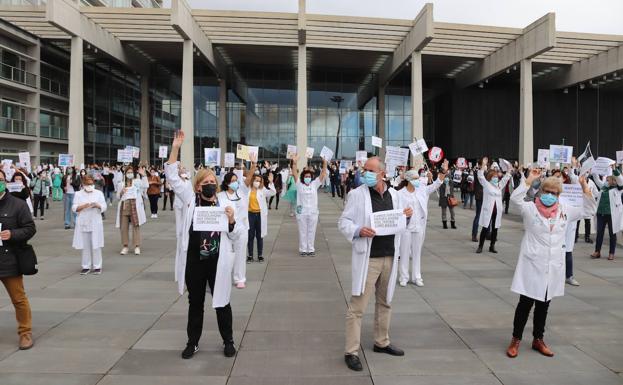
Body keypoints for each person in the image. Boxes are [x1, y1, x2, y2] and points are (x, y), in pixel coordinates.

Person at [165, 130, 241, 359]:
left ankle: (228, 340)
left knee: (222, 302)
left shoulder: (226, 202)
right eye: (205, 182)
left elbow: (237, 235)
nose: (210, 185)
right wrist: (176, 148)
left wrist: (231, 221)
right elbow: (172, 176)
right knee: (195, 302)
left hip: (217, 261)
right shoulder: (190, 200)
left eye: (212, 182)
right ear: (198, 187)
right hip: (195, 261)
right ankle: (193, 342)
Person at [506, 169, 596, 358]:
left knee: (544, 304)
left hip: (552, 264)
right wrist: (528, 181)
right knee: (525, 303)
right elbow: (515, 199)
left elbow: (588, 211)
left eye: (554, 193)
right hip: (532, 263)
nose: (550, 196)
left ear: (559, 195)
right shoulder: (530, 209)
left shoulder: (564, 210)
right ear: (541, 192)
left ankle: (538, 339)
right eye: (547, 192)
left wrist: (585, 187)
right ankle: (515, 339)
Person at [338, 157, 413, 372]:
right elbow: (343, 222)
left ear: (382, 173)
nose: (365, 173)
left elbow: (401, 224)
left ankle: (382, 342)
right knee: (357, 306)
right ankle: (351, 351)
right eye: (364, 170)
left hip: (389, 256)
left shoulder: (395, 196)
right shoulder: (357, 195)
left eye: (370, 170)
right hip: (368, 258)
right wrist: (358, 230)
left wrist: (407, 217)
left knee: (385, 302)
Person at [0, 169, 36, 350]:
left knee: (18, 299)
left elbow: (30, 228)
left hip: (10, 259)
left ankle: (25, 333)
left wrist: (12, 234)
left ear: (5, 181)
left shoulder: (18, 204)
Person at [398, 165, 445, 287]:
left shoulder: (422, 190)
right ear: (408, 180)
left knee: (416, 252)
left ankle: (416, 276)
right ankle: (404, 276)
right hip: (406, 227)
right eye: (415, 179)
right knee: (404, 252)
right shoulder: (400, 193)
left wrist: (443, 171)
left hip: (418, 226)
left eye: (418, 178)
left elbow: (436, 184)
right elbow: (397, 210)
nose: (418, 181)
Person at [291, 155, 327, 256]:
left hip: (313, 212)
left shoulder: (314, 184)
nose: (308, 178)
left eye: (309, 176)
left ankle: (310, 249)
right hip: (301, 212)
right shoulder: (299, 184)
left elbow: (323, 174)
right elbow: (294, 173)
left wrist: (324, 163)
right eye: (306, 176)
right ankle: (303, 249)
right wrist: (294, 163)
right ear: (303, 177)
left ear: (311, 177)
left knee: (312, 231)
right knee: (302, 231)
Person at [218, 171, 249, 289]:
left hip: (241, 229)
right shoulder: (220, 196)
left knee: (240, 254)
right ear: (226, 183)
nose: (235, 183)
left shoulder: (241, 192)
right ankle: (223, 277)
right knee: (225, 254)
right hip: (226, 229)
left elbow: (249, 178)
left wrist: (253, 164)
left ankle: (239, 278)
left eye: (236, 180)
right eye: (232, 181)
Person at [72, 175, 107, 275]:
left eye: (91, 184)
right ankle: (86, 266)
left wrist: (97, 205)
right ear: (83, 184)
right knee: (85, 245)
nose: (90, 186)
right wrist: (83, 206)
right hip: (84, 222)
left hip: (95, 221)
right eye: (87, 184)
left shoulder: (99, 193)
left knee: (96, 244)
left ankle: (97, 266)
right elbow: (74, 207)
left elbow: (104, 206)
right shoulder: (78, 194)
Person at [244, 154, 276, 263]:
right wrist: (253, 164)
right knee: (250, 236)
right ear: (253, 180)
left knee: (259, 236)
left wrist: (271, 182)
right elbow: (245, 177)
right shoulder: (246, 190)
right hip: (249, 215)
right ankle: (250, 255)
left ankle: (260, 255)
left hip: (260, 215)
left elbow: (273, 192)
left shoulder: (262, 190)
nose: (257, 182)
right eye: (255, 180)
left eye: (259, 181)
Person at [476, 157, 511, 253]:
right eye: (494, 177)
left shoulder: (499, 186)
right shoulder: (487, 185)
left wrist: (509, 170)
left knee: (495, 229)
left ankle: (492, 246)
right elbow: (480, 176)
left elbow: (506, 178)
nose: (496, 178)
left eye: (496, 177)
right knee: (485, 227)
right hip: (488, 210)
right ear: (490, 178)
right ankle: (480, 246)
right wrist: (483, 165)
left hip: (497, 211)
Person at [590, 165, 623, 261]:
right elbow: (596, 179)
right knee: (599, 233)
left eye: (609, 178)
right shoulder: (604, 187)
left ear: (614, 180)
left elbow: (621, 180)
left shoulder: (618, 188)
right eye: (607, 178)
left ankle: (611, 253)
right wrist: (594, 169)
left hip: (612, 215)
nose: (607, 179)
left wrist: (614, 170)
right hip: (601, 213)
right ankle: (597, 251)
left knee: (612, 234)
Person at [115, 166, 148, 255]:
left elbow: (145, 186)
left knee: (135, 226)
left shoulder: (137, 182)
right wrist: (121, 192)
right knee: (124, 227)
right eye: (128, 172)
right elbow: (118, 197)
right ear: (125, 174)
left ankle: (137, 246)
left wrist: (144, 175)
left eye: (131, 172)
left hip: (134, 206)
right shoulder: (121, 184)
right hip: (124, 206)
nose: (130, 174)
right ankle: (125, 246)